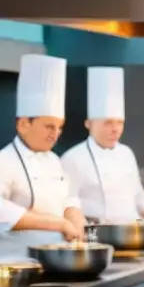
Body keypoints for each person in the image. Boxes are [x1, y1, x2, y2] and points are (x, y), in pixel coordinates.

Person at [0, 54, 86, 260]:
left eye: (59, 127)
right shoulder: (4, 161)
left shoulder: (54, 161)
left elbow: (68, 198)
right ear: (23, 125)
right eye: (49, 126)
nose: (55, 133)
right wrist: (58, 223)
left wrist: (74, 216)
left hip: (56, 261)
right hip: (16, 264)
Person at [61, 67, 144, 224]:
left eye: (120, 123)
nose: (115, 129)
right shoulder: (73, 158)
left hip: (131, 232)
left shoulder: (126, 153)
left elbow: (138, 195)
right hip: (96, 235)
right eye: (108, 123)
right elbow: (68, 202)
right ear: (88, 124)